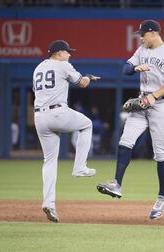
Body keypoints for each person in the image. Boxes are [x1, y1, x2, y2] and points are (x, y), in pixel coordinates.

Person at [97, 19, 164, 220]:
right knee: (125, 141)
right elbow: (125, 69)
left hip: (161, 103)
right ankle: (117, 184)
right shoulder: (141, 50)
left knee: (160, 152)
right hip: (142, 101)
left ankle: (162, 196)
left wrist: (154, 96)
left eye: (142, 34)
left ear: (153, 33)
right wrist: (135, 68)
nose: (140, 37)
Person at [33, 40, 100, 223]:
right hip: (57, 112)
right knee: (87, 125)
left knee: (49, 161)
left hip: (39, 117)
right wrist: (88, 77)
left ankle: (49, 203)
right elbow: (82, 83)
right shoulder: (63, 65)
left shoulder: (38, 68)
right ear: (59, 53)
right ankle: (79, 167)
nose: (70, 54)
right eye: (67, 52)